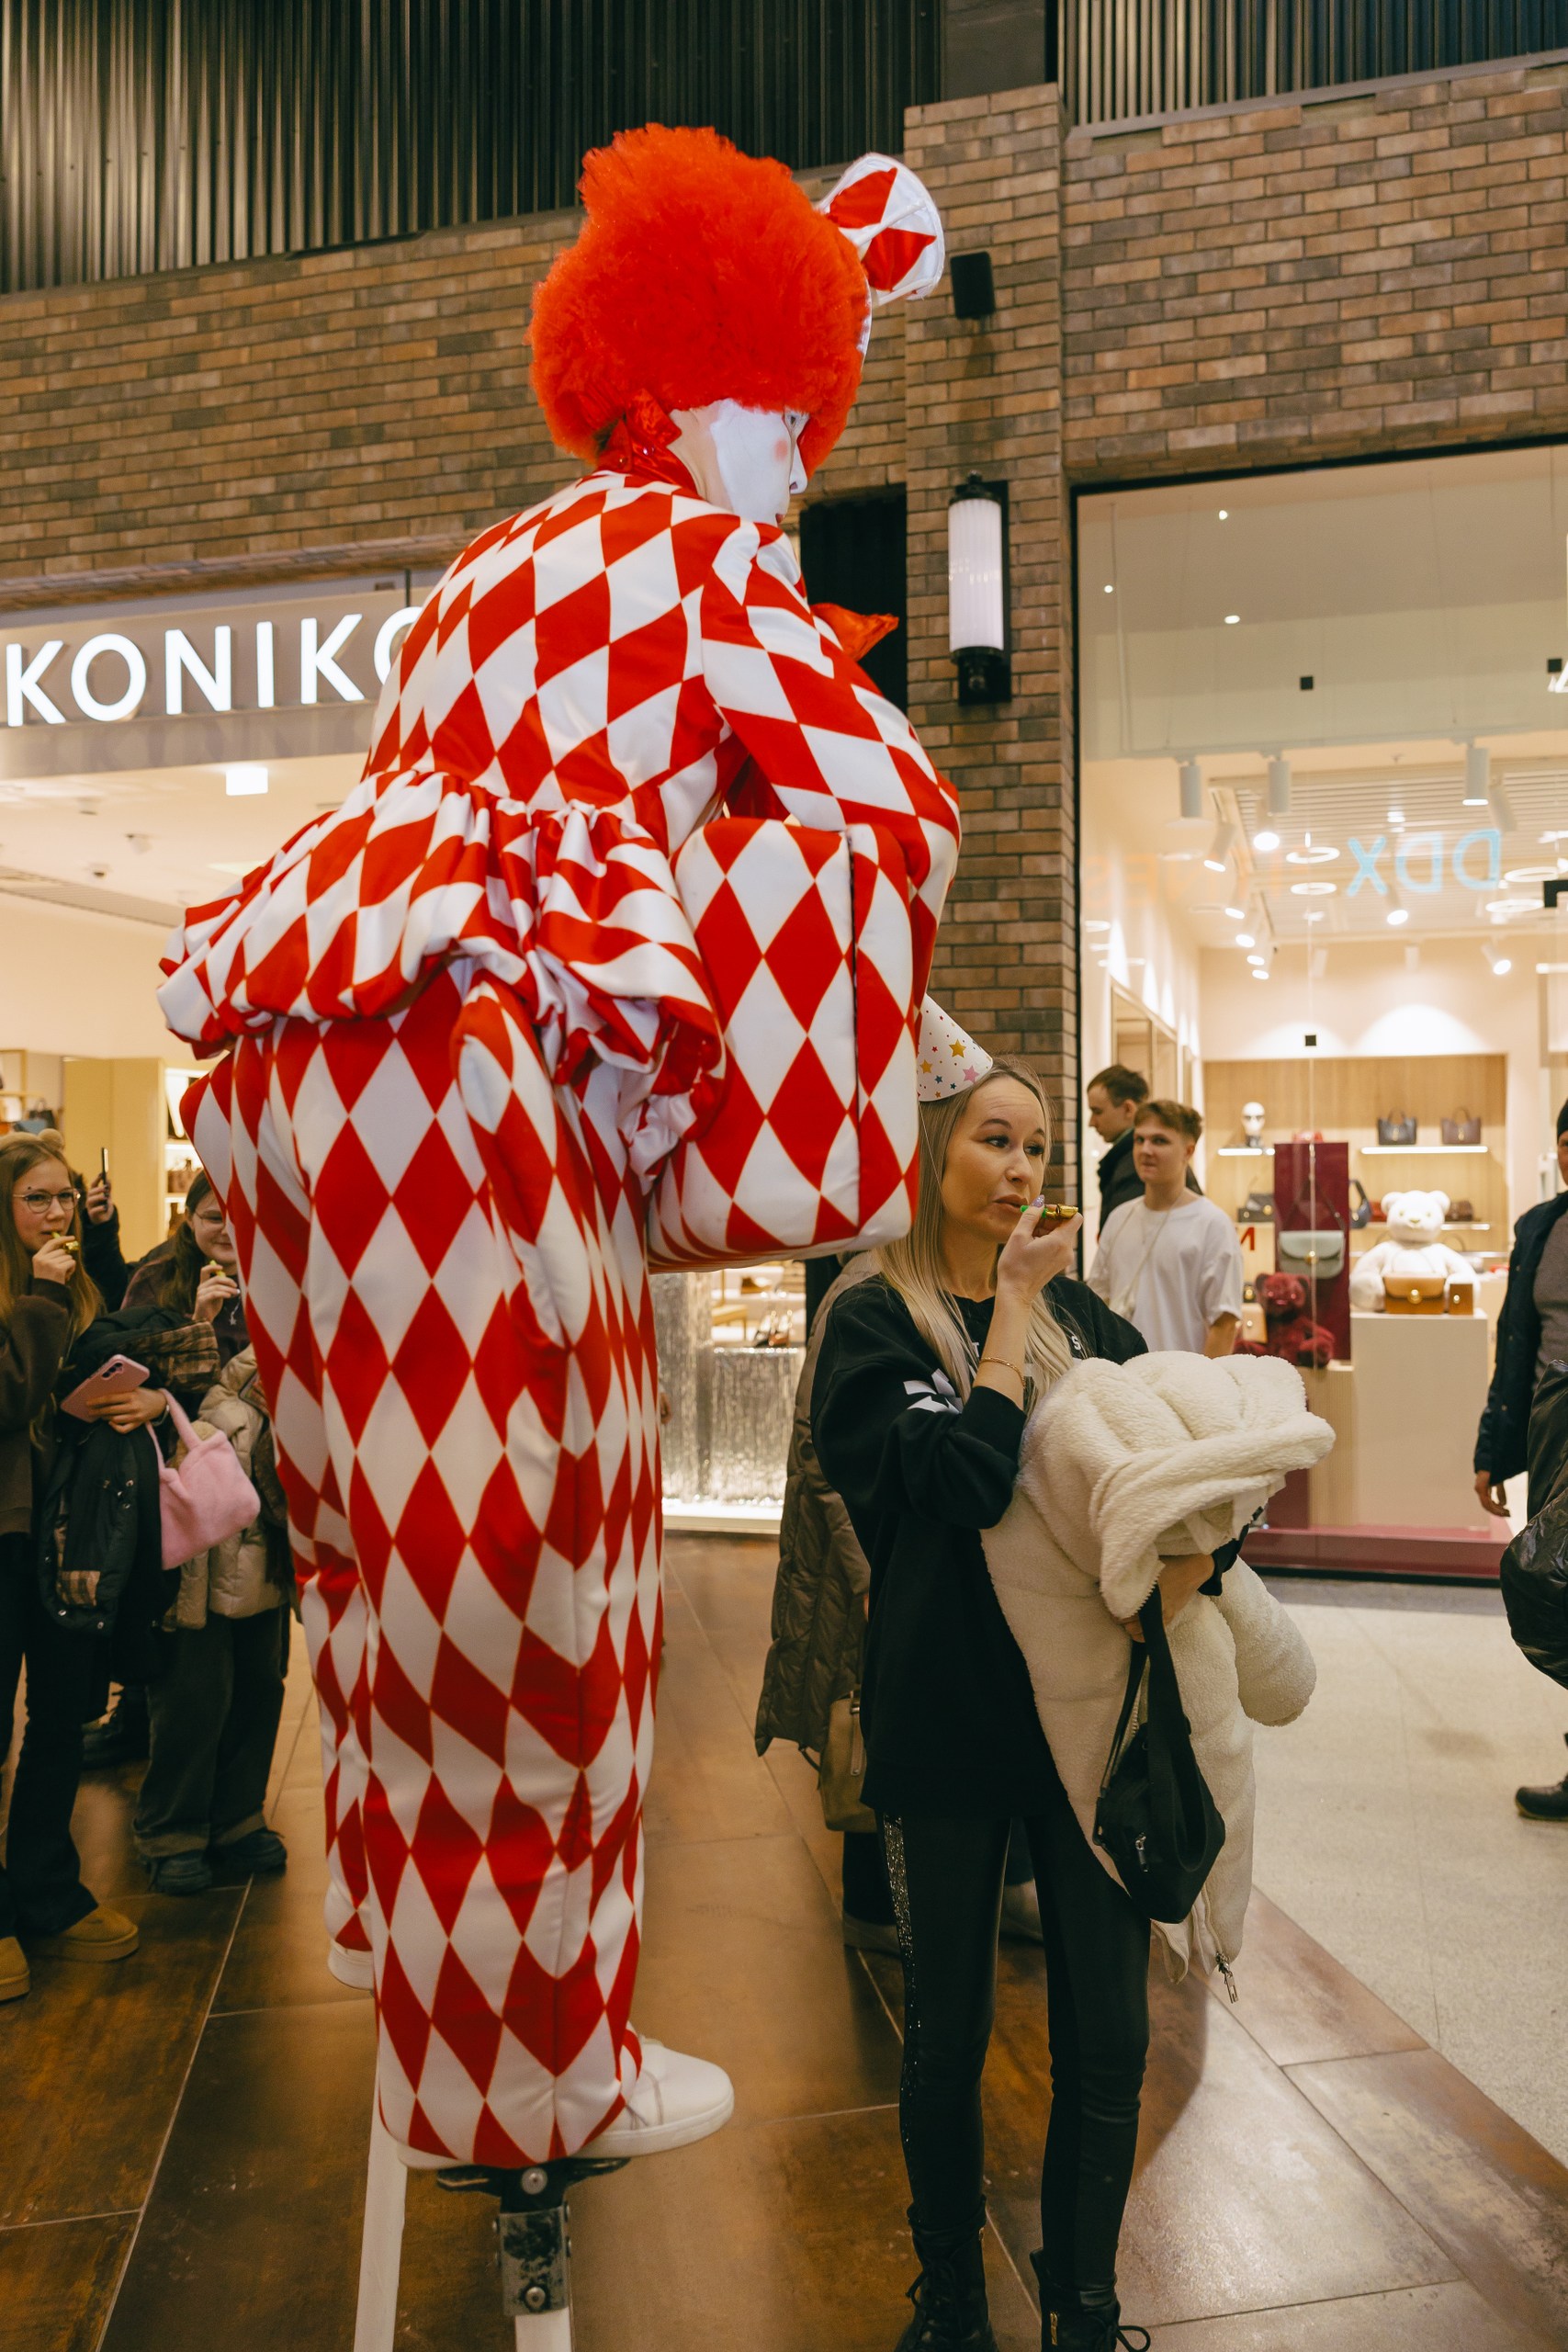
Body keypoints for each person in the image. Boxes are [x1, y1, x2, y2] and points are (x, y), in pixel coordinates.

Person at [156, 125, 960, 2171]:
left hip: (306, 1051)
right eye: (794, 425)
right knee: (546, 1563)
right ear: (725, 396)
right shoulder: (695, 557)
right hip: (485, 1078)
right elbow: (884, 809)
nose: (797, 476)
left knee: (385, 1554)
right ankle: (528, 2079)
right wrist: (770, 1074)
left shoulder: (478, 579)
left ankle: (406, 1952)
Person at [812, 1019, 1211, 2352]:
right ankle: (950, 2305)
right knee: (947, 2029)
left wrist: (1192, 1560)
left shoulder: (1085, 1316)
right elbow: (961, 1481)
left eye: (1039, 1145)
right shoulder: (871, 1319)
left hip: (1089, 1720)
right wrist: (1013, 1317)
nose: (1024, 1168)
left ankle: (1084, 2311)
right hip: (947, 1712)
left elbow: (1193, 1459)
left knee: (1111, 2034)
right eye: (995, 1140)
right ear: (931, 1153)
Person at [0, 1133, 141, 2001]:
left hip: (68, 1534)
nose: (56, 1215)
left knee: (60, 1716)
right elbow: (10, 1397)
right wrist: (43, 1300)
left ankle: (47, 1891)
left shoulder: (78, 1285)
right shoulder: (41, 1292)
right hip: (5, 1534)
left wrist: (138, 1397)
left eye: (65, 1198)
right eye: (36, 1199)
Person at [133, 1341, 293, 1893]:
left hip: (264, 1544)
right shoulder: (164, 1305)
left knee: (260, 1683)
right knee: (192, 1693)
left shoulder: (279, 1315)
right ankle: (172, 1831)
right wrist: (164, 1402)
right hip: (192, 1540)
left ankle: (239, 1816)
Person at [1475, 1099, 1568, 1819]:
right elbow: (1515, 1344)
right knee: (1557, 1589)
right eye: (1567, 1140)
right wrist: (1493, 1451)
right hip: (1551, 1430)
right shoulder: (1540, 1226)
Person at [1089, 1100, 1242, 1358]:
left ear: (1188, 1151)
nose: (1145, 1150)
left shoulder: (1212, 1224)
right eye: (1139, 1140)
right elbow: (1099, 1300)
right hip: (1120, 1376)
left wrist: (1204, 1381)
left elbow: (1224, 1324)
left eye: (1159, 1141)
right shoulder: (1119, 1217)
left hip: (1182, 1378)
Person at [1087, 1064, 1199, 1225]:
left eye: (1097, 1111)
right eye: (1139, 1140)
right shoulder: (1124, 1162)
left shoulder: (1140, 1168)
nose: (1145, 1151)